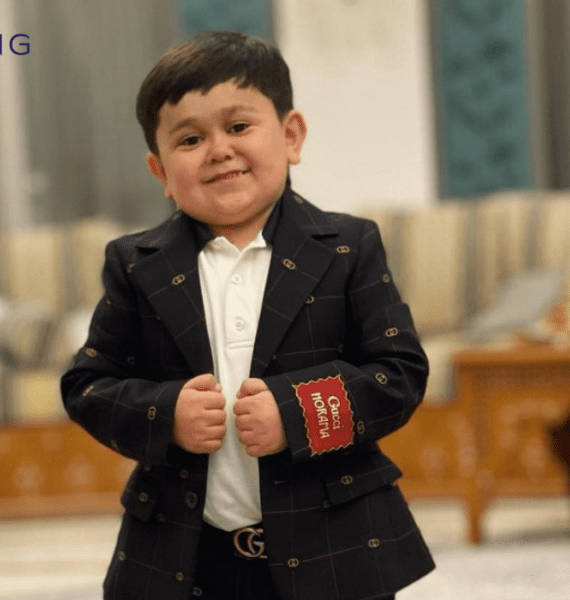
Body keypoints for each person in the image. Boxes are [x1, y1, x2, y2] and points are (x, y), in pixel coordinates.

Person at [61, 31, 434, 600]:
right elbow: (87, 385)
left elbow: (400, 374)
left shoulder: (347, 246)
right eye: (190, 139)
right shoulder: (136, 264)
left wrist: (295, 413)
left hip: (337, 550)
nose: (218, 150)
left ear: (291, 136)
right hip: (187, 559)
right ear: (160, 172)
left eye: (238, 127)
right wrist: (167, 414)